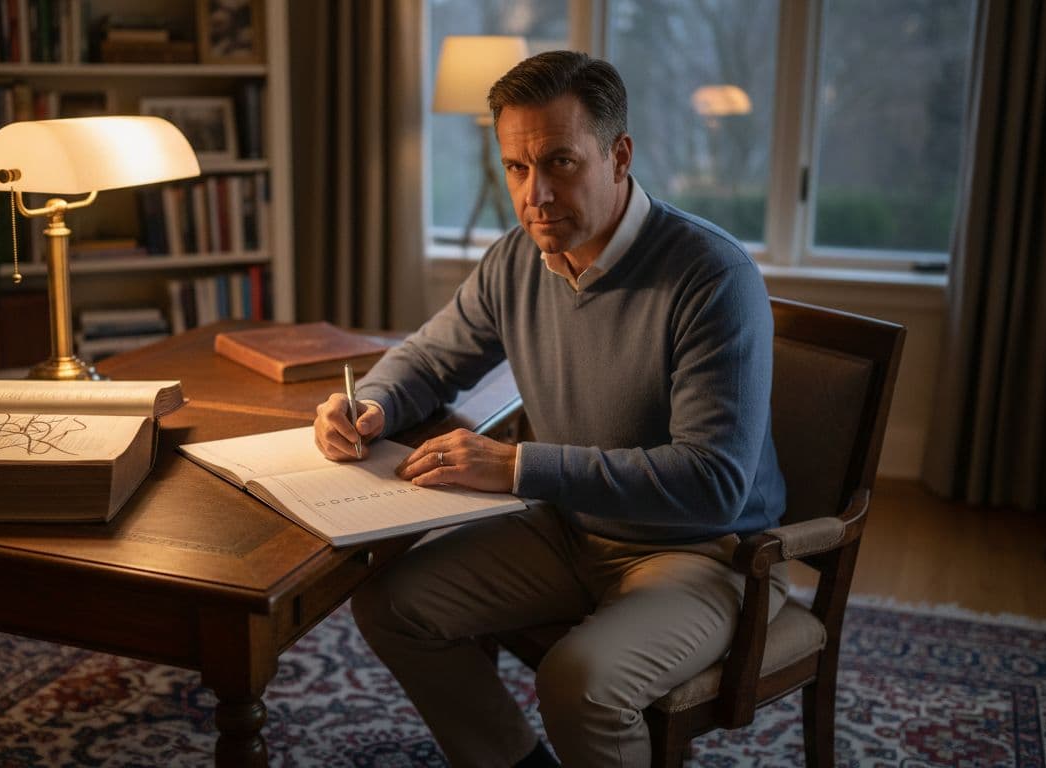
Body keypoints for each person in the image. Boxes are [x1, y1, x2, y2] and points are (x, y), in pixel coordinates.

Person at [312, 50, 788, 768]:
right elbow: (430, 359)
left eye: (560, 163)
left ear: (619, 155)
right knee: (392, 607)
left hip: (702, 554)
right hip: (570, 532)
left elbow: (714, 483)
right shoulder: (516, 260)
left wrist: (518, 467)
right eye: (515, 168)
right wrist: (368, 404)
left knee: (580, 684)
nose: (535, 194)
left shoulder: (712, 277)